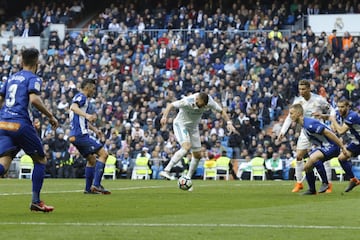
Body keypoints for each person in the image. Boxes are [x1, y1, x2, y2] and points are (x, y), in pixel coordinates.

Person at [0, 48, 58, 212]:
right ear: (36, 62)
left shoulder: (11, 78)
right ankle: (35, 201)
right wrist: (50, 116)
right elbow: (34, 99)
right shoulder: (33, 78)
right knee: (40, 160)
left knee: (4, 162)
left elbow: (0, 100)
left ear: (21, 61)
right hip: (20, 124)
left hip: (4, 124)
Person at [159, 92, 237, 190]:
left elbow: (221, 111)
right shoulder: (187, 101)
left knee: (197, 155)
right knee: (186, 147)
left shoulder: (210, 102)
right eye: (200, 104)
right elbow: (171, 105)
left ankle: (188, 178)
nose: (201, 107)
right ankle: (166, 170)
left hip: (193, 128)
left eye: (203, 105)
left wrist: (229, 123)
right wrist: (164, 117)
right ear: (196, 99)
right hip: (181, 125)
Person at [277, 79, 334, 193]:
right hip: (306, 132)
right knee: (299, 156)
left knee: (324, 158)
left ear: (309, 88)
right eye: (300, 89)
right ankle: (299, 183)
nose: (301, 91)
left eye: (303, 89)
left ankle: (329, 184)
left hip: (319, 131)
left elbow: (331, 109)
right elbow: (290, 116)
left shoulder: (318, 99)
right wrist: (283, 131)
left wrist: (331, 121)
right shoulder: (298, 101)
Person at [289, 104, 348, 195]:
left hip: (332, 146)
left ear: (298, 113)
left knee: (313, 157)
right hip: (325, 146)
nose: (290, 116)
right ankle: (312, 190)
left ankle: (325, 183)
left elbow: (329, 133)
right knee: (307, 167)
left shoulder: (309, 124)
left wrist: (342, 147)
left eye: (291, 113)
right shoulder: (304, 126)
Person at [68, 78, 111, 194]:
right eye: (93, 88)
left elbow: (81, 119)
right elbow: (73, 107)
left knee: (91, 160)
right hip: (80, 135)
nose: (94, 91)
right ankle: (96, 185)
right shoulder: (81, 97)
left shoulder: (83, 99)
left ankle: (88, 189)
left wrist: (95, 130)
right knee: (104, 154)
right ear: (87, 88)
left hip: (74, 136)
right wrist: (87, 115)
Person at [328, 98, 360, 192]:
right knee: (341, 158)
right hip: (356, 143)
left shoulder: (352, 115)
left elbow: (341, 131)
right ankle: (353, 180)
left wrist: (333, 121)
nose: (340, 109)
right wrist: (322, 116)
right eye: (338, 107)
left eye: (342, 107)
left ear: (348, 107)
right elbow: (331, 120)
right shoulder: (339, 114)